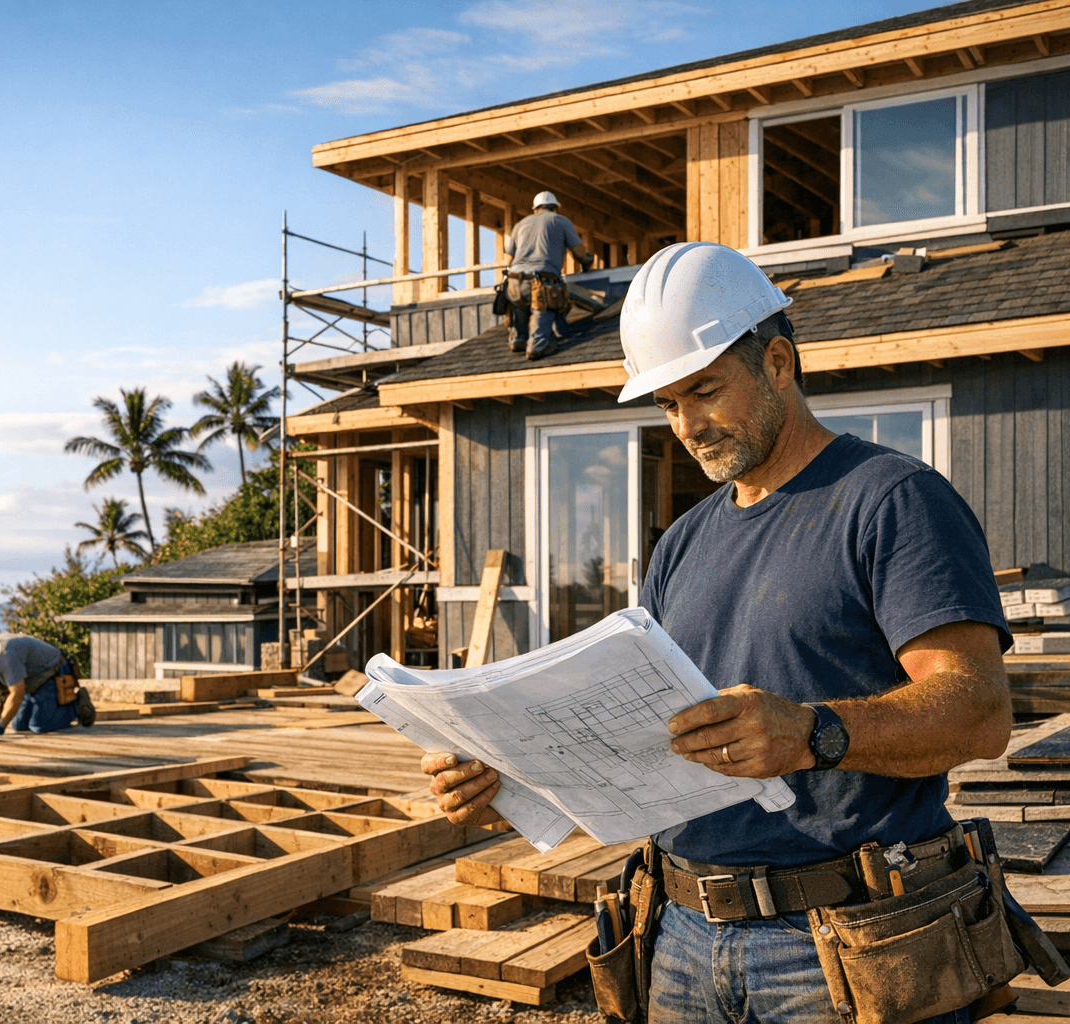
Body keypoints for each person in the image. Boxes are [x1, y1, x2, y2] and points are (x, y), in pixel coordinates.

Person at [425, 242, 1015, 1024]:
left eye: (704, 391)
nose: (687, 426)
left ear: (777, 361)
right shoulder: (683, 544)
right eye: (668, 404)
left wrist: (813, 733)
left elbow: (979, 711)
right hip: (678, 937)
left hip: (842, 942)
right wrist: (512, 782)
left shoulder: (892, 500)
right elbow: (647, 745)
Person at [503, 190, 596, 360]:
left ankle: (518, 339)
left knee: (519, 307)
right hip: (542, 282)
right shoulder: (560, 221)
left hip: (515, 281)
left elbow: (508, 259)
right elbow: (579, 251)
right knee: (545, 305)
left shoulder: (520, 224)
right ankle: (537, 345)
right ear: (555, 207)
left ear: (535, 208)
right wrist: (587, 261)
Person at [0, 632, 96, 736]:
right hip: (30, 681)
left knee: (39, 726)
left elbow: (16, 693)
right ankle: (50, 707)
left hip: (52, 672)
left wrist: (0, 726)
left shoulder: (5, 654)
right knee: (19, 725)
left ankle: (74, 706)